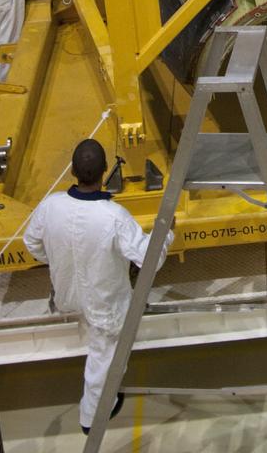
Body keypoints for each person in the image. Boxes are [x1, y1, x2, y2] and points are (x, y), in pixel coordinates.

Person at [24, 138, 174, 433]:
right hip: (105, 306)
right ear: (106, 170)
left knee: (102, 351)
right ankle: (90, 419)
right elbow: (149, 258)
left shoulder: (50, 206)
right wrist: (167, 234)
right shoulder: (113, 217)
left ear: (72, 170)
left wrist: (56, 260)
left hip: (67, 296)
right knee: (103, 358)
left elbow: (31, 243)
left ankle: (102, 397)